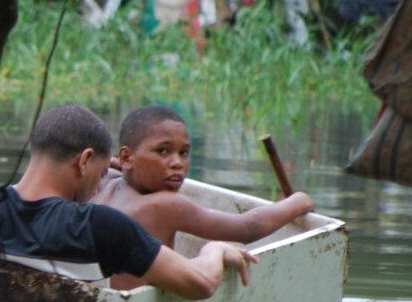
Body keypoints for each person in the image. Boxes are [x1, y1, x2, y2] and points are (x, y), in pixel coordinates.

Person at [0, 104, 257, 300]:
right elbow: (200, 284)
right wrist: (214, 250)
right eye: (101, 174)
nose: (96, 189)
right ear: (85, 160)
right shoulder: (102, 228)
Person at [92, 105, 314, 290]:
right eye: (162, 151)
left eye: (184, 153)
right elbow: (248, 227)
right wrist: (298, 201)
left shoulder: (103, 182)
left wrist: (123, 163)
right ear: (126, 157)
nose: (177, 163)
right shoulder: (165, 205)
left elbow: (104, 163)